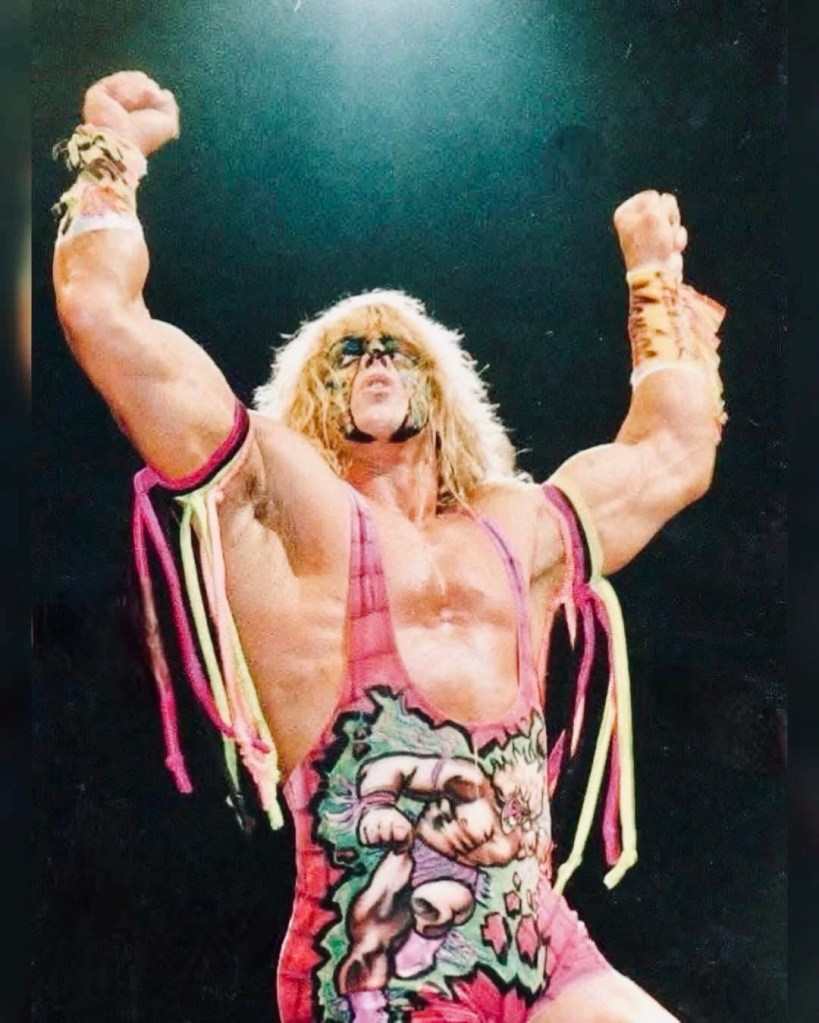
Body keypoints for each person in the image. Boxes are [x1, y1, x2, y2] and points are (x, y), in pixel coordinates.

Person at [52, 70, 727, 1023]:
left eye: (396, 347)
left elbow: (671, 451)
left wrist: (653, 281)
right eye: (348, 350)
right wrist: (111, 154)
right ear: (314, 387)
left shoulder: (518, 526)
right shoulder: (285, 497)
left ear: (439, 385)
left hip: (541, 947)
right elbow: (103, 317)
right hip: (374, 961)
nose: (373, 358)